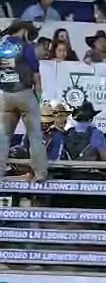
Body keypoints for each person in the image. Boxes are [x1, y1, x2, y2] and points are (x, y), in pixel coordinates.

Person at [0, 19, 49, 181]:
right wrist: (38, 98)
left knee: (3, 137)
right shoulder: (26, 47)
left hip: (5, 95)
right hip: (24, 93)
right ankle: (40, 173)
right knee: (35, 136)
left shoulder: (2, 47)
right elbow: (36, 76)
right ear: (24, 31)